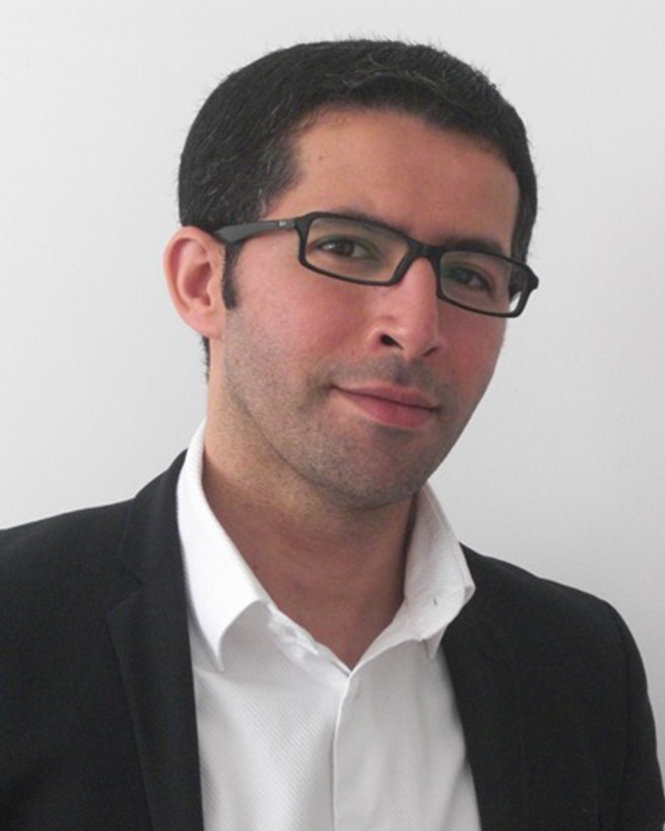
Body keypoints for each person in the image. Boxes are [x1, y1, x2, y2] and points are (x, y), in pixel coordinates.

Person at [1, 39, 663, 831]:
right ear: (202, 282)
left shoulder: (581, 668)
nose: (416, 328)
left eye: (468, 275)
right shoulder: (17, 629)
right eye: (346, 246)